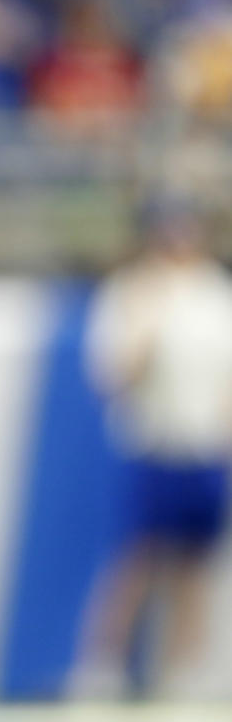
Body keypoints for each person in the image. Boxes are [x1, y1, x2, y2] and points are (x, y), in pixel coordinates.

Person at [75, 198, 232, 698]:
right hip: (151, 444)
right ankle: (101, 670)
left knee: (194, 566)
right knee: (135, 560)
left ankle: (184, 676)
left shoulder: (216, 293)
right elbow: (113, 375)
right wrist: (153, 321)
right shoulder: (131, 293)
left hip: (205, 449)